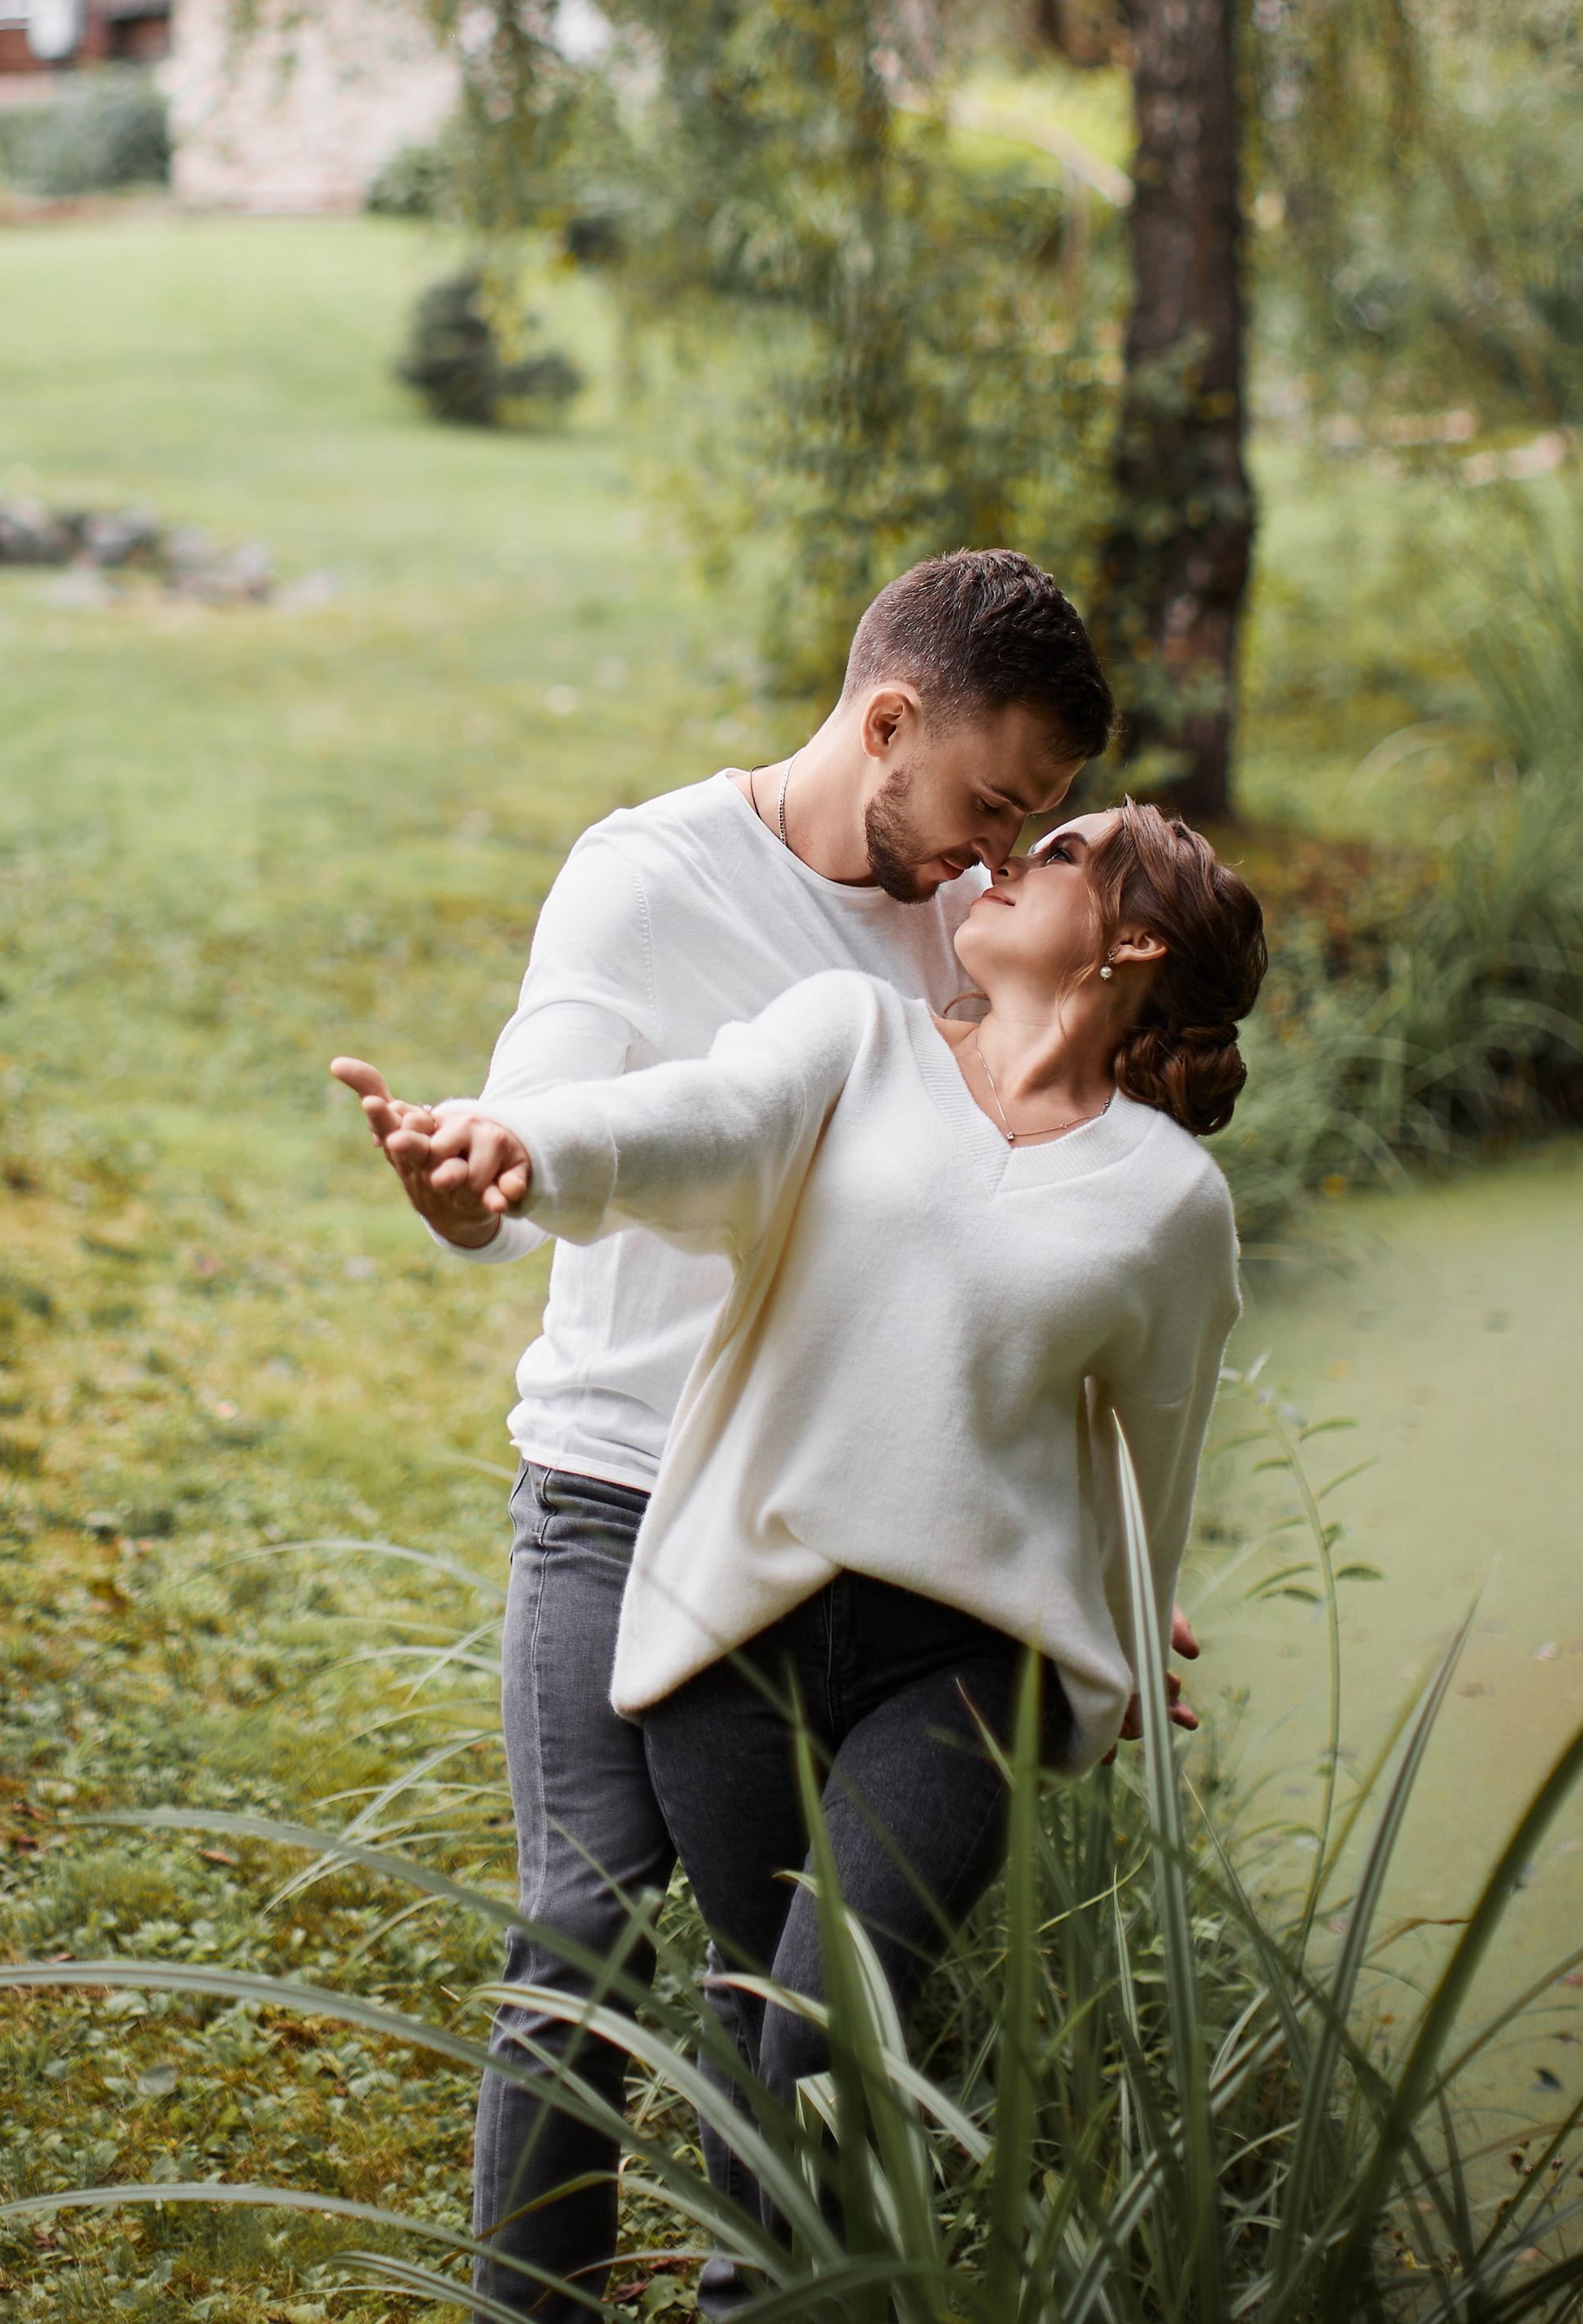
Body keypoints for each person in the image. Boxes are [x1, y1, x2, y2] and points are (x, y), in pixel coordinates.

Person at [330, 548, 1123, 2316]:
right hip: (623, 1490)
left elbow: (1045, 1241)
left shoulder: (975, 930)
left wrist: (1096, 1537)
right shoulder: (648, 880)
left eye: (1030, 827)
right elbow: (543, 1126)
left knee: (789, 1998)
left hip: (846, 1524)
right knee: (585, 1930)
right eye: (988, 804)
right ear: (886, 719)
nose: (994, 857)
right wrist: (472, 1180)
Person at [403, 801, 1265, 2272]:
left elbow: (1153, 1465)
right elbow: (690, 1125)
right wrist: (517, 1148)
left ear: (1132, 939)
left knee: (821, 2023)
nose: (1003, 862)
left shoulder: (1174, 1206)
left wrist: (1126, 1644)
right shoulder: (851, 1036)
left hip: (965, 1669)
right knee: (758, 2012)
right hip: (735, 1619)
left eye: (1055, 852)